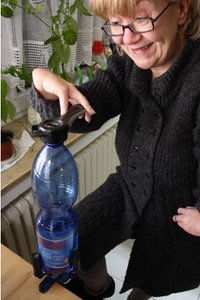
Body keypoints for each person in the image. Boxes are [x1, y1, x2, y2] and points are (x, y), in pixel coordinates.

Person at [29, 0, 200, 299]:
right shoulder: (127, 67)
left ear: (182, 10)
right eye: (117, 23)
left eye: (141, 20)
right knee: (72, 243)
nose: (128, 37)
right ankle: (99, 289)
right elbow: (83, 114)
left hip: (179, 211)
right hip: (128, 189)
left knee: (153, 278)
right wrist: (45, 85)